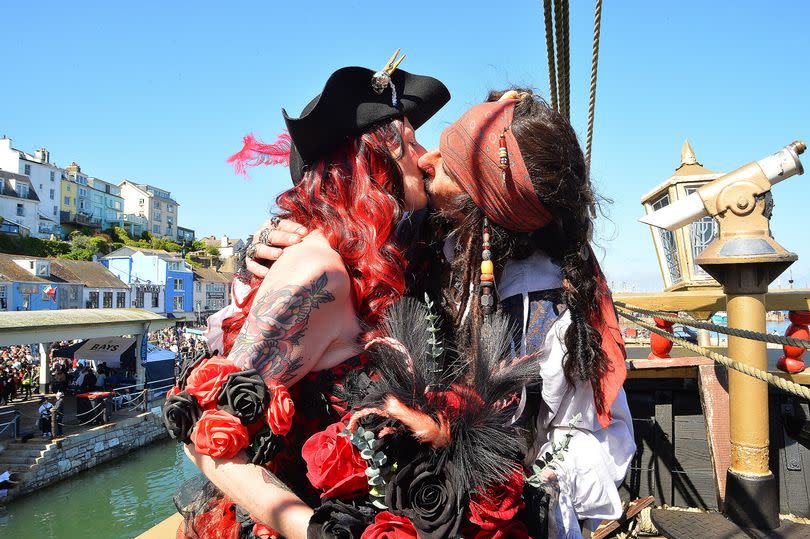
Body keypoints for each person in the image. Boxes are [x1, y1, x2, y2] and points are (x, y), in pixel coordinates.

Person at [253, 90, 636, 538]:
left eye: (451, 165)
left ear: (482, 211)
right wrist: (262, 248)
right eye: (445, 139)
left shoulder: (553, 311)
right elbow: (351, 190)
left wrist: (516, 494)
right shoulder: (422, 234)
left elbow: (585, 440)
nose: (429, 158)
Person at [175, 62, 450, 539]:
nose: (425, 158)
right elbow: (200, 430)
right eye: (411, 140)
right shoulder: (317, 272)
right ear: (376, 158)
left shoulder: (378, 263)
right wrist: (313, 530)